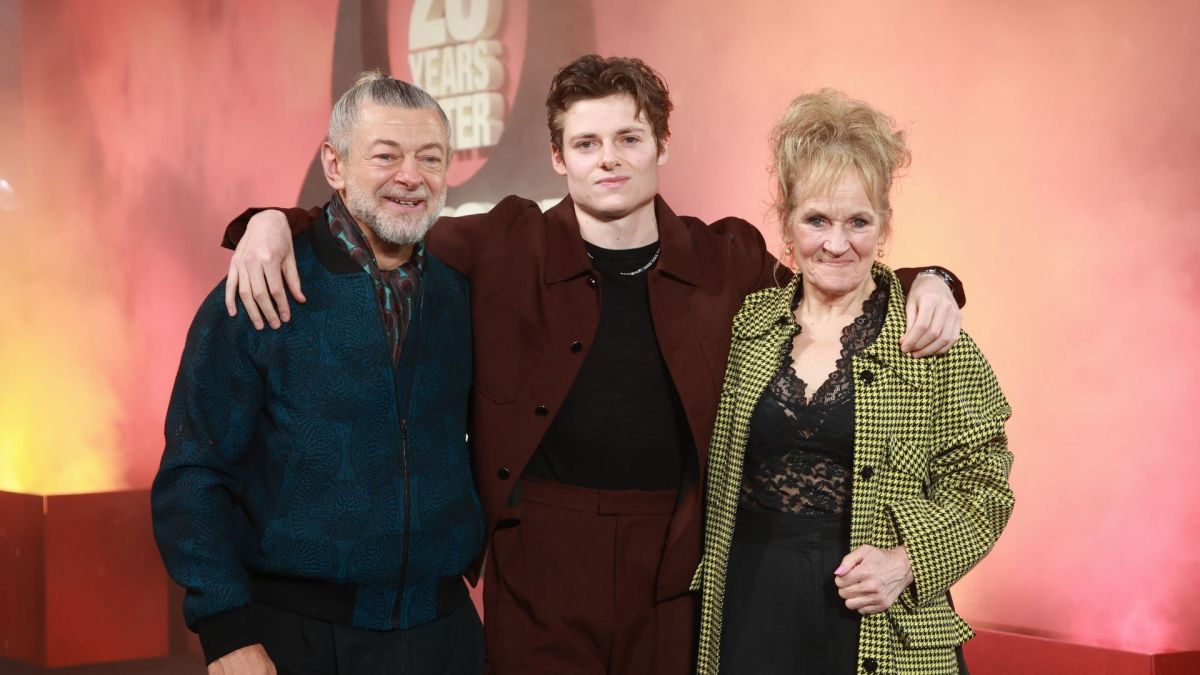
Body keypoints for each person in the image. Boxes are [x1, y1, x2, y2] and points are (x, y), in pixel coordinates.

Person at [219, 57, 966, 674]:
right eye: (585, 143)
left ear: (661, 146)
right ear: (558, 156)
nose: (607, 159)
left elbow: (834, 278)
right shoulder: (504, 241)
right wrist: (271, 223)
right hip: (539, 551)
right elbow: (387, 226)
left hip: (676, 556)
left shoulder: (725, 256)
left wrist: (933, 278)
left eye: (628, 138)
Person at [151, 73, 485, 675]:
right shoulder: (262, 287)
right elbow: (193, 472)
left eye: (430, 158)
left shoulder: (464, 291)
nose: (411, 176)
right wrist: (225, 630)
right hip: (294, 638)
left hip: (446, 633)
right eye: (385, 155)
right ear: (335, 164)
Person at [690, 89, 1014, 675]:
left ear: (884, 224)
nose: (837, 244)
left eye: (858, 221)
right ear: (786, 222)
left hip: (881, 616)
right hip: (751, 606)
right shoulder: (744, 325)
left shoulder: (933, 338)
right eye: (816, 219)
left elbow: (986, 492)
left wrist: (909, 560)